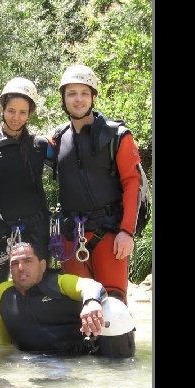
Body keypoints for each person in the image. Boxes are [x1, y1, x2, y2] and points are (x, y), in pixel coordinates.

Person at [50, 64, 142, 303]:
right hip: (72, 234)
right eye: (72, 93)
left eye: (84, 93)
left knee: (114, 306)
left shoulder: (118, 136)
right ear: (64, 98)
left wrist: (126, 232)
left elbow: (133, 184)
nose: (78, 99)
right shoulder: (57, 139)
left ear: (93, 97)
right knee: (79, 308)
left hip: (110, 232)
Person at [0, 77, 50, 339]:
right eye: (11, 111)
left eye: (22, 112)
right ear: (2, 109)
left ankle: (38, 345)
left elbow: (72, 165)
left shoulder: (40, 146)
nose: (16, 117)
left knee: (37, 290)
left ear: (30, 114)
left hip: (35, 230)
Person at [0, 242, 135, 357]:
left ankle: (118, 373)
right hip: (34, 361)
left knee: (115, 308)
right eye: (14, 263)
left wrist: (91, 302)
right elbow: (4, 343)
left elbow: (91, 285)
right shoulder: (2, 291)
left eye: (28, 261)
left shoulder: (58, 282)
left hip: (81, 356)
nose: (20, 268)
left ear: (42, 265)